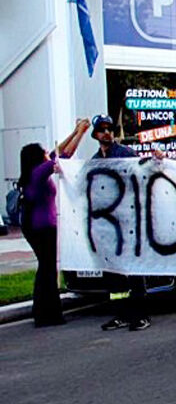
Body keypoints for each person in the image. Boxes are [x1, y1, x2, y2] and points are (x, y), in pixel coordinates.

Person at [19, 118, 90, 326]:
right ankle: (48, 313)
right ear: (36, 158)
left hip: (37, 225)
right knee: (47, 269)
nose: (46, 153)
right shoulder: (38, 172)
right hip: (42, 227)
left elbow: (56, 152)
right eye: (42, 152)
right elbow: (63, 155)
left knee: (46, 268)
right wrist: (81, 133)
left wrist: (76, 131)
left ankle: (43, 311)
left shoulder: (34, 172)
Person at [92, 115, 152, 331]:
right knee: (114, 271)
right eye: (102, 130)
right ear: (96, 135)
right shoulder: (95, 160)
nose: (107, 133)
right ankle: (121, 313)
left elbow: (142, 177)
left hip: (128, 218)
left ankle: (141, 314)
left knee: (134, 268)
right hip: (108, 223)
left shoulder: (126, 154)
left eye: (110, 129)